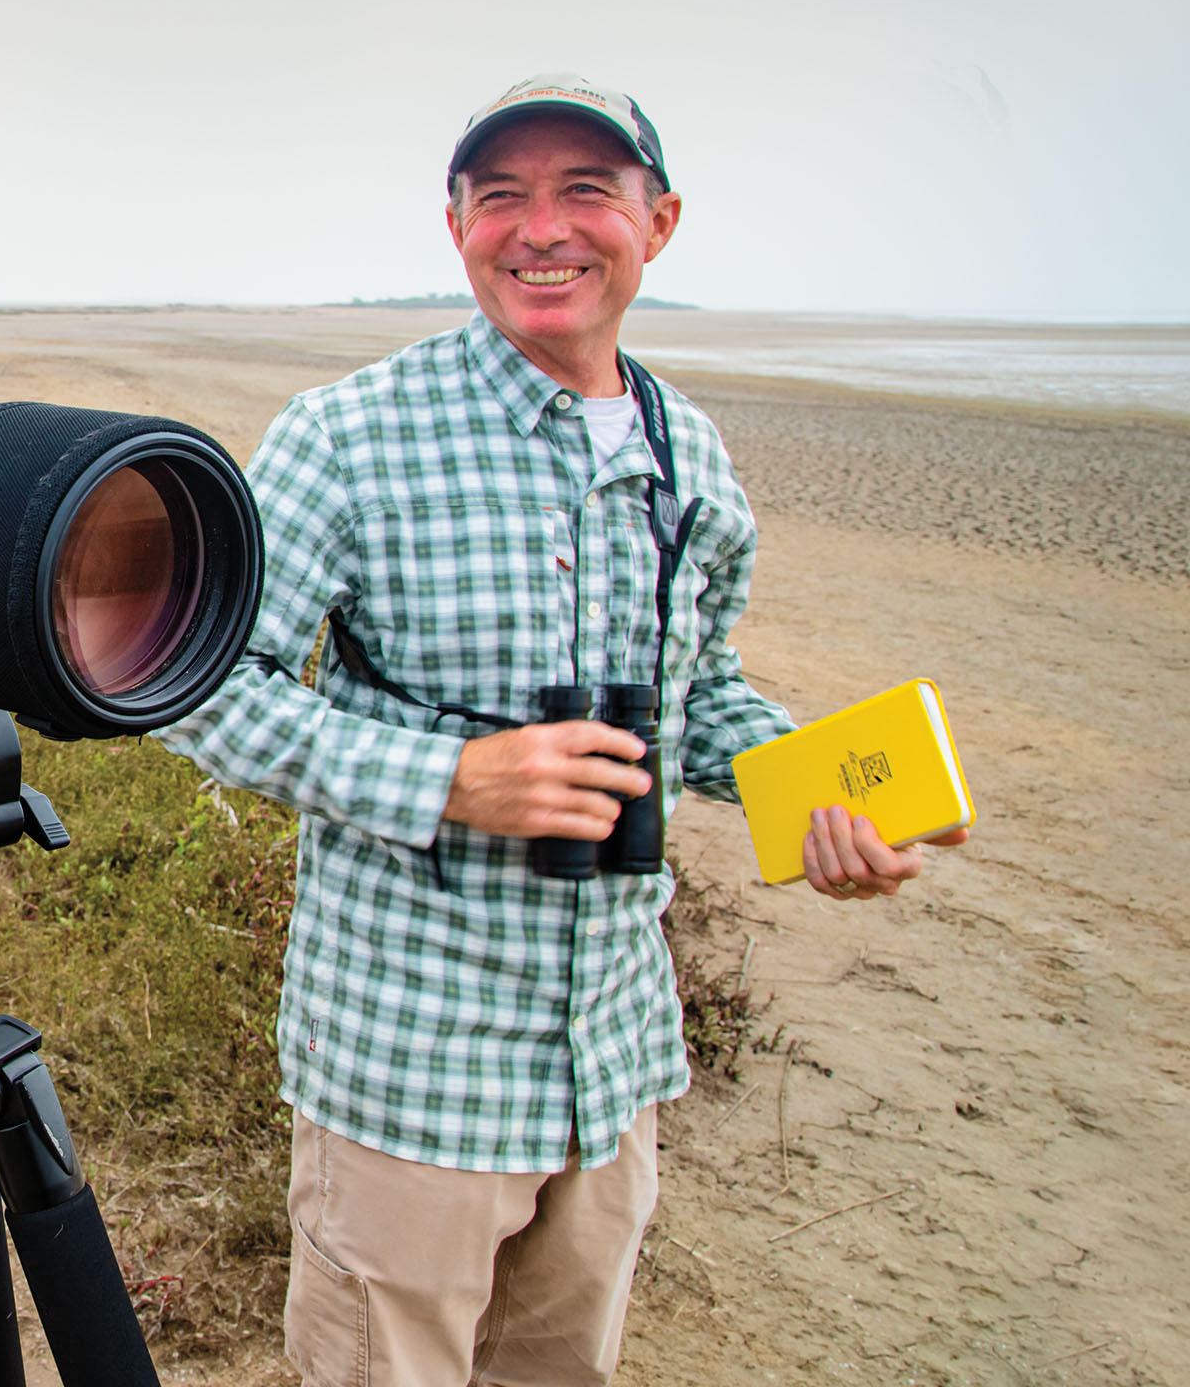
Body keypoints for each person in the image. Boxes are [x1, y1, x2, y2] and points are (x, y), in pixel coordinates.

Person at [159, 73, 968, 1387]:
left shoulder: (689, 455)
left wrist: (835, 800)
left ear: (660, 223)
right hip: (412, 1064)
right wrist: (448, 779)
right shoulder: (348, 437)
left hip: (615, 1063)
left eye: (586, 191)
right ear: (456, 224)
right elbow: (196, 684)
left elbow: (698, 700)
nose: (541, 230)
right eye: (502, 198)